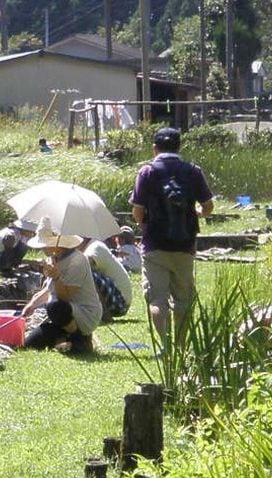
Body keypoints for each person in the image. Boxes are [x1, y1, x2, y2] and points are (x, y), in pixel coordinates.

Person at [129, 127, 214, 349]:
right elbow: (208, 207)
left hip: (154, 244)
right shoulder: (193, 171)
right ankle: (181, 345)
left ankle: (166, 347)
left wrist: (144, 224)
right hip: (185, 244)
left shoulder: (146, 171)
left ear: (154, 148)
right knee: (183, 301)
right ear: (179, 146)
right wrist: (196, 213)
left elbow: (137, 211)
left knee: (157, 300)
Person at [21, 219, 101, 353]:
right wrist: (32, 304)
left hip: (83, 313)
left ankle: (79, 339)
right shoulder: (53, 258)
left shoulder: (77, 261)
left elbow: (64, 296)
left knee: (54, 306)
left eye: (46, 245)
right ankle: (65, 337)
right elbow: (49, 289)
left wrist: (56, 276)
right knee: (30, 343)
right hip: (63, 313)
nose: (43, 248)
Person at [81, 236, 133, 322]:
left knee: (86, 274)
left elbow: (82, 267)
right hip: (115, 297)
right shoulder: (90, 247)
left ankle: (105, 316)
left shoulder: (95, 246)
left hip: (120, 301)